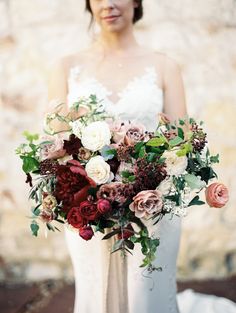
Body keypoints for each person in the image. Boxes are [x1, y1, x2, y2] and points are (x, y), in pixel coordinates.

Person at [47, 1, 236, 313]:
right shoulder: (66, 66)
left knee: (148, 293)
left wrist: (154, 169)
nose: (108, 4)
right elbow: (55, 140)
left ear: (136, 1)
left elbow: (182, 141)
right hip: (88, 203)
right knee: (96, 294)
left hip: (154, 202)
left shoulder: (164, 66)